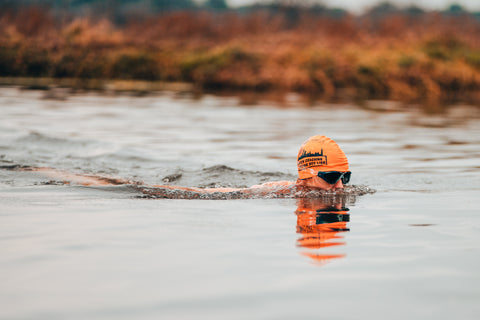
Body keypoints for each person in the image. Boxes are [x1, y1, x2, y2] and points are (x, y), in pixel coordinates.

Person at [7, 135, 351, 198]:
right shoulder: (284, 192)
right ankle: (43, 173)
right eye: (332, 177)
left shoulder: (323, 194)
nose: (340, 186)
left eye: (345, 177)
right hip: (201, 192)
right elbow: (223, 194)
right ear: (307, 175)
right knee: (109, 183)